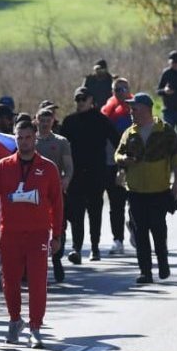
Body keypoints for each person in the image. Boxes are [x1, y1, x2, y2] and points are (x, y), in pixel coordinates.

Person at [0, 120, 64, 350]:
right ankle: (14, 320)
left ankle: (36, 328)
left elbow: (57, 204)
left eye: (28, 137)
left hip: (38, 234)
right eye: (20, 138)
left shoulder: (48, 168)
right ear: (15, 138)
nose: (24, 142)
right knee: (10, 282)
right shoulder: (3, 166)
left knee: (38, 282)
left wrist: (56, 235)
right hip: (10, 234)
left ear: (35, 138)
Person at [114, 93, 177, 284]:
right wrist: (123, 160)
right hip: (135, 192)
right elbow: (117, 154)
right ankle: (145, 271)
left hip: (159, 191)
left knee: (158, 230)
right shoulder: (130, 133)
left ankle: (163, 263)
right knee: (140, 232)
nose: (131, 112)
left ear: (145, 109)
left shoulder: (165, 130)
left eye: (134, 108)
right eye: (130, 108)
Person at [61, 87, 120, 263]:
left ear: (91, 100)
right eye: (77, 99)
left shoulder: (102, 120)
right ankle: (77, 248)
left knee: (95, 210)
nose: (80, 102)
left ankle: (95, 247)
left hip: (97, 172)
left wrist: (120, 164)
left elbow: (117, 141)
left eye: (83, 99)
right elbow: (62, 145)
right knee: (76, 212)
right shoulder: (70, 121)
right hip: (76, 173)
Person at [36, 108, 74, 282]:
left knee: (59, 225)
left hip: (55, 192)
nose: (44, 124)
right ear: (36, 120)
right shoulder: (29, 142)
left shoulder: (61, 142)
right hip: (34, 194)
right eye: (41, 120)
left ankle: (57, 259)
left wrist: (66, 180)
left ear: (53, 122)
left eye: (48, 120)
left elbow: (68, 166)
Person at [101, 77, 132, 255]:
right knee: (116, 203)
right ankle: (117, 239)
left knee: (135, 201)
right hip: (112, 163)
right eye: (116, 89)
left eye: (123, 89)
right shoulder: (107, 111)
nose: (120, 92)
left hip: (134, 163)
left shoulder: (136, 109)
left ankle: (135, 229)